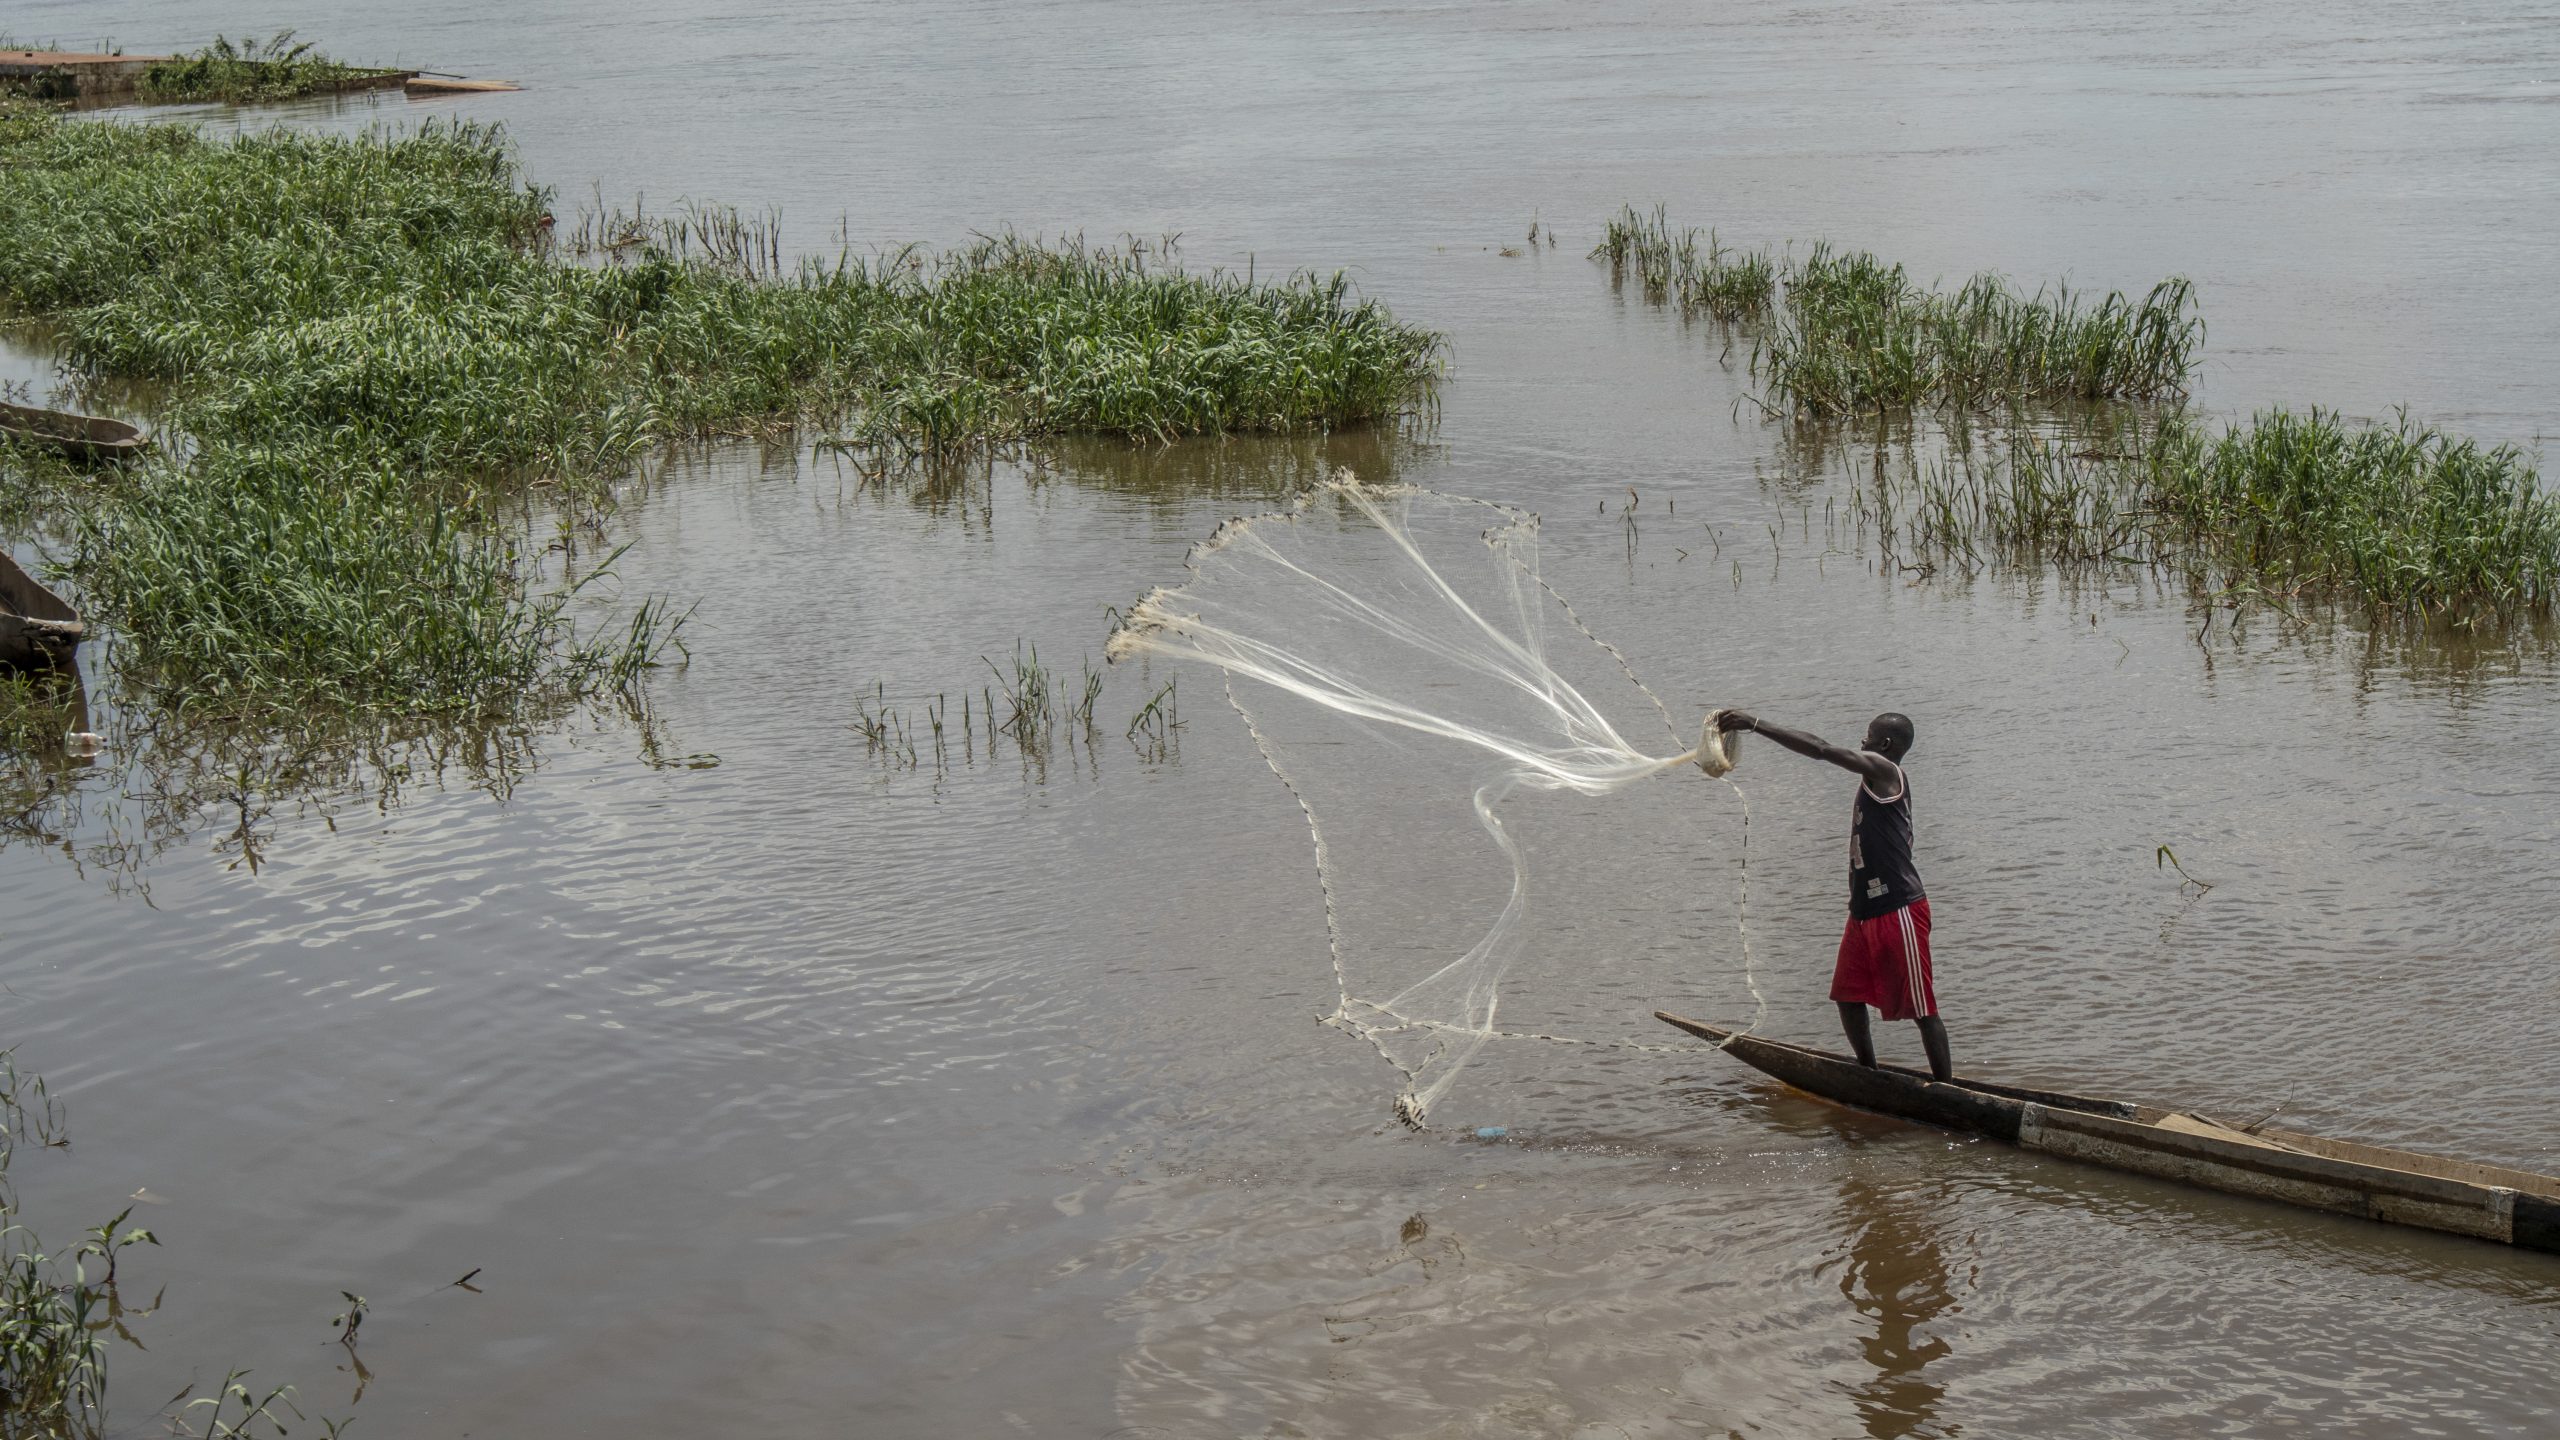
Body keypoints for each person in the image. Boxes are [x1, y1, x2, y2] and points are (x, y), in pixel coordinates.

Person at [1713, 709, 1951, 1081]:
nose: (1862, 741)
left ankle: (1947, 1089)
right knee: (1848, 996)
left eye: (1868, 735)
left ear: (1884, 745)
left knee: (1922, 1008)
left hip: (1898, 908)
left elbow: (1821, 749)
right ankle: (1867, 1073)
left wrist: (1756, 724)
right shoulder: (1875, 774)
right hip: (1863, 911)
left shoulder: (1885, 771)